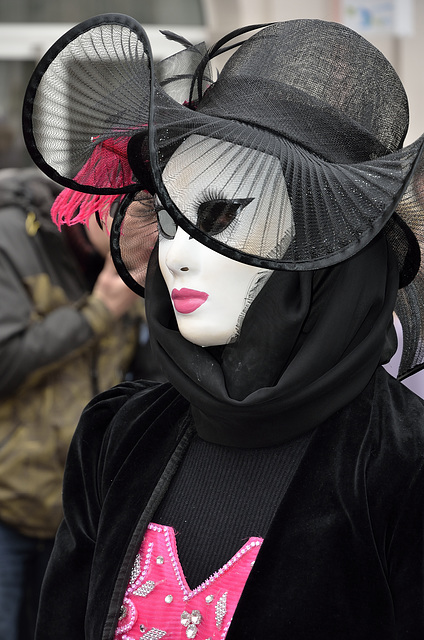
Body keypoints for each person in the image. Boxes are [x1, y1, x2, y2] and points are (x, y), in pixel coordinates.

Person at [22, 14, 424, 638]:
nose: (177, 253)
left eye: (222, 214)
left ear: (318, 247)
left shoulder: (403, 462)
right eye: (173, 219)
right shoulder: (119, 436)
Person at [0, 167, 144, 640]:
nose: (146, 239)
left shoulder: (134, 266)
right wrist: (101, 308)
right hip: (8, 505)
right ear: (96, 204)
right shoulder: (10, 236)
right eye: (135, 216)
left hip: (79, 516)